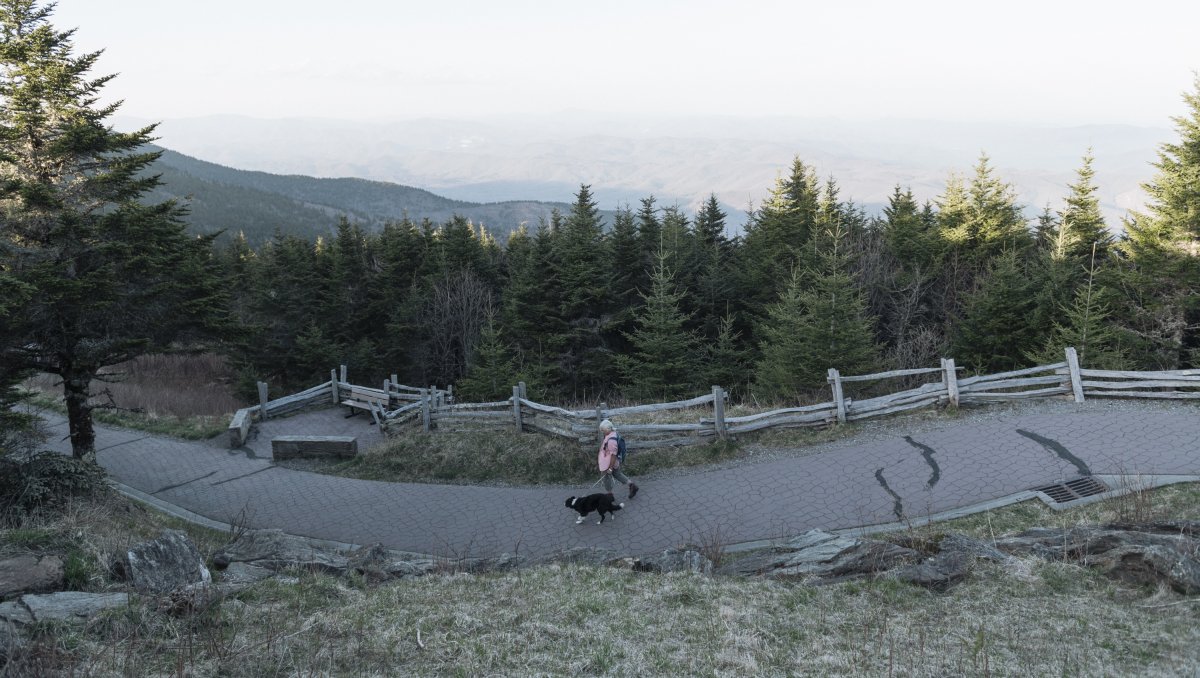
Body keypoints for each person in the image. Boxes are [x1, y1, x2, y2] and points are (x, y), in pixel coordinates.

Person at [598, 419, 639, 499]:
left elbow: (613, 455)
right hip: (611, 462)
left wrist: (610, 468)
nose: (602, 432)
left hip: (609, 463)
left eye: (603, 430)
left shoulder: (611, 441)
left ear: (608, 429)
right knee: (617, 474)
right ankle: (632, 485)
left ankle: (610, 496)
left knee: (606, 478)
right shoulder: (612, 434)